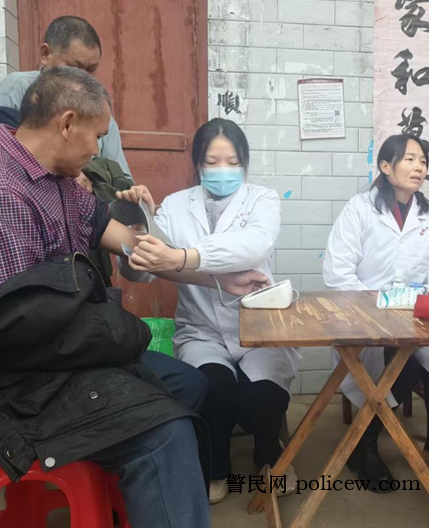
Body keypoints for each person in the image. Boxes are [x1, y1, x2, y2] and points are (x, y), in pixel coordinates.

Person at [0, 67, 268, 527]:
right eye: (98, 137)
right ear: (67, 123)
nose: (98, 150)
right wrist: (120, 332)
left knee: (190, 385)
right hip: (10, 381)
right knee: (166, 431)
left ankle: (137, 505)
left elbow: (128, 242)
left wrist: (218, 280)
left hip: (58, 350)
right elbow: (20, 331)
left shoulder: (55, 177)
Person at [118, 118, 300, 504]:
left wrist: (183, 257)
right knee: (215, 389)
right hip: (202, 330)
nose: (222, 170)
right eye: (211, 162)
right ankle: (217, 466)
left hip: (258, 326)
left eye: (232, 162)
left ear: (244, 162)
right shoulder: (175, 205)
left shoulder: (262, 199)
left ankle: (269, 453)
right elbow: (142, 272)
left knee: (262, 399)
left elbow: (254, 246)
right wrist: (140, 223)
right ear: (198, 163)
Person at [323, 134, 429, 493]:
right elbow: (338, 272)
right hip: (365, 318)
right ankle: (365, 445)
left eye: (423, 161)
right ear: (386, 166)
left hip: (416, 319)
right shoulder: (359, 209)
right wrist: (378, 307)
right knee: (400, 370)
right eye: (410, 159)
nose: (419, 167)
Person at [0, 15, 131, 179]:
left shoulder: (99, 109)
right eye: (74, 67)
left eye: (91, 70)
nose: (83, 77)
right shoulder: (14, 90)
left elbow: (121, 179)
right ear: (45, 54)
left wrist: (92, 179)